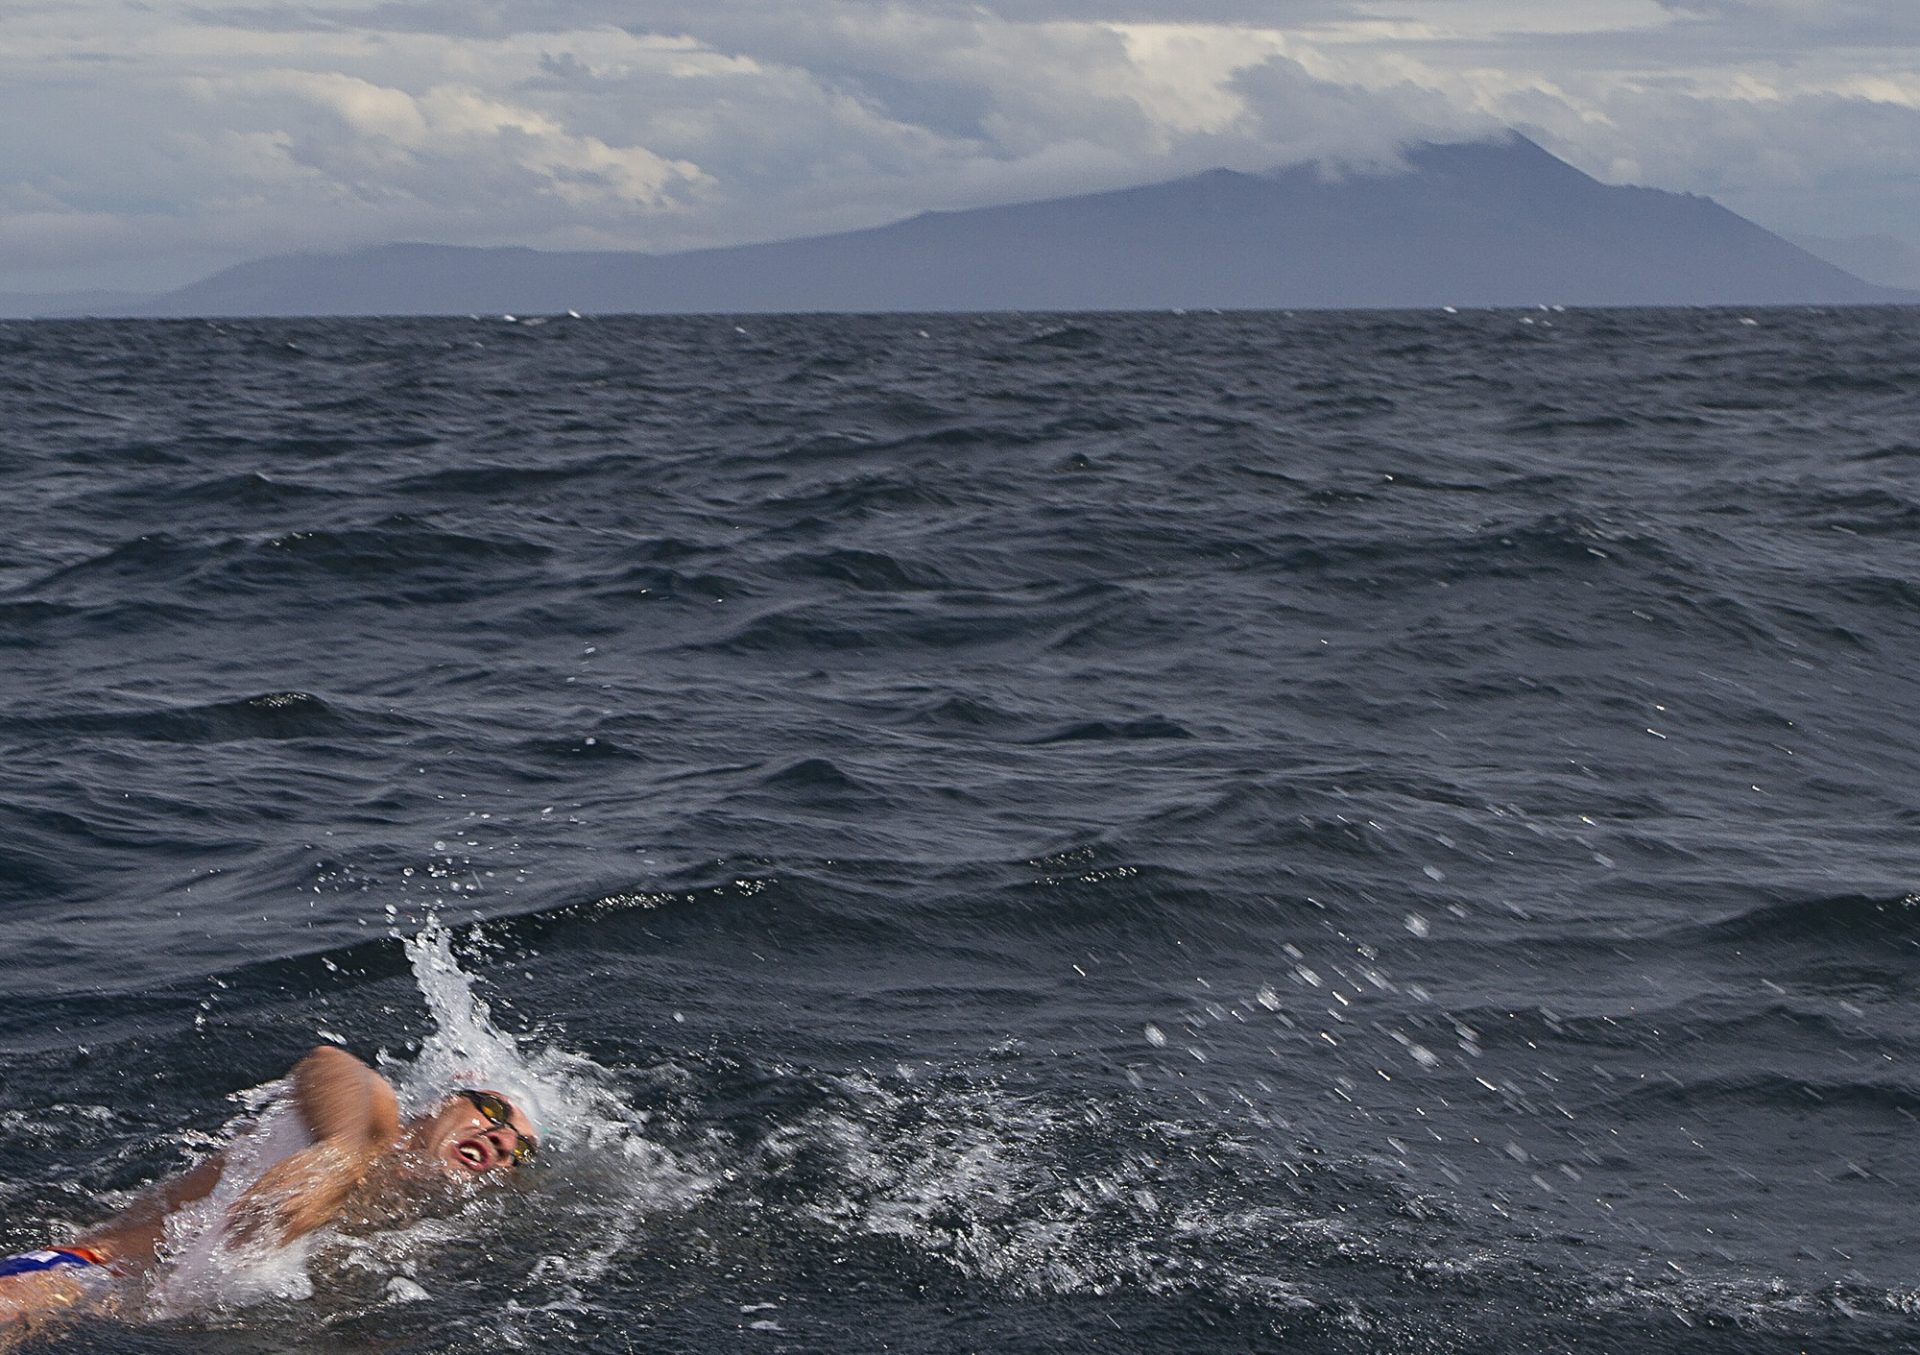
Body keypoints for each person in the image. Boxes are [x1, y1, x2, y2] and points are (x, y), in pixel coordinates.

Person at [0, 1045, 539, 1342]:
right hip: (88, 1273)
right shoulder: (374, 1128)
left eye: (519, 1147)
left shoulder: (425, 1236)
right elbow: (334, 1066)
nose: (500, 1137)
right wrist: (339, 1152)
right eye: (492, 1112)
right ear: (447, 1100)